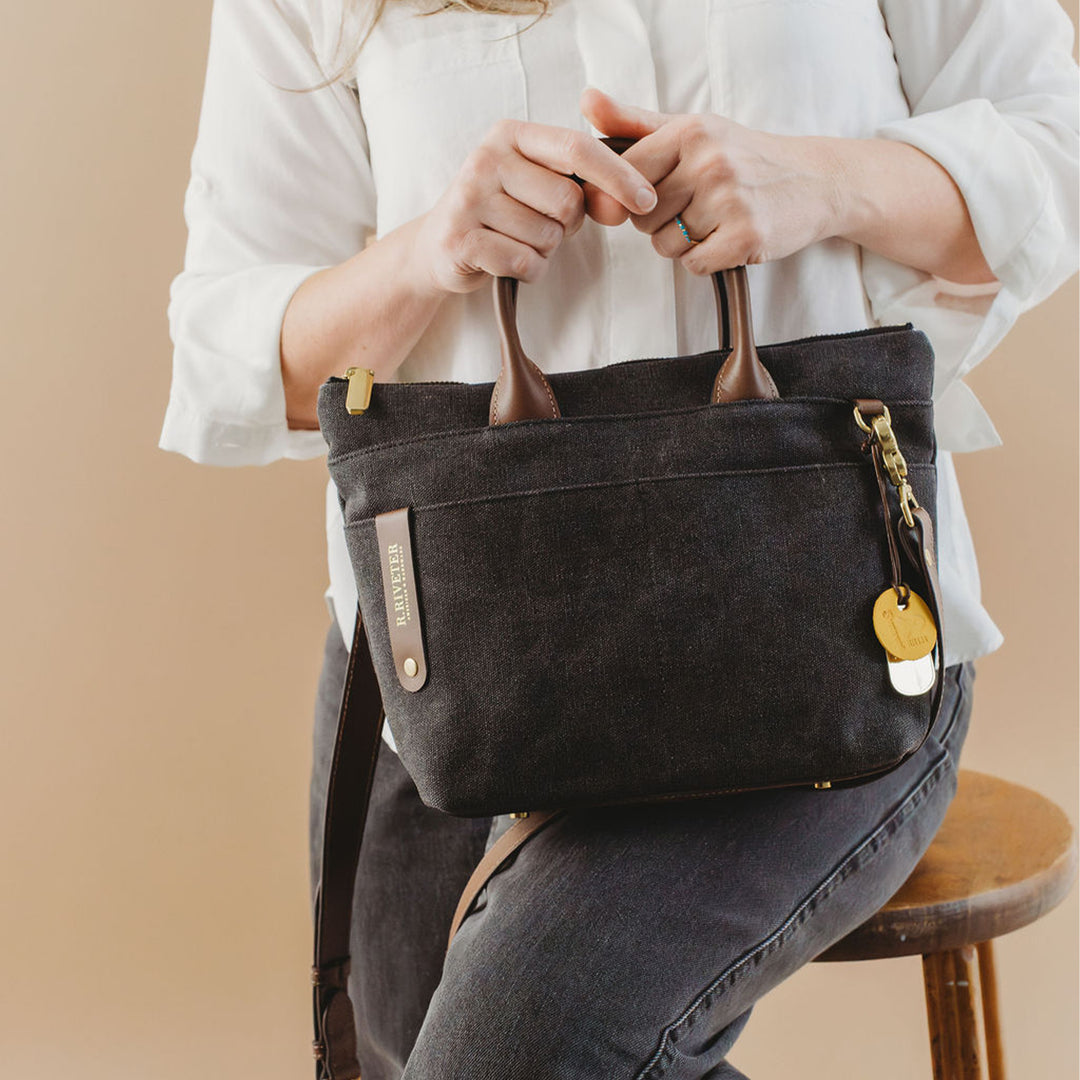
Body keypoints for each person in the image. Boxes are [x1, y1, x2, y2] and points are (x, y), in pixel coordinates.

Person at [159, 1, 1079, 1076]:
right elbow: (234, 359)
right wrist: (429, 252)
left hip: (826, 633)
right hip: (445, 660)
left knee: (511, 1053)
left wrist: (828, 180)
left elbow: (1053, 145)